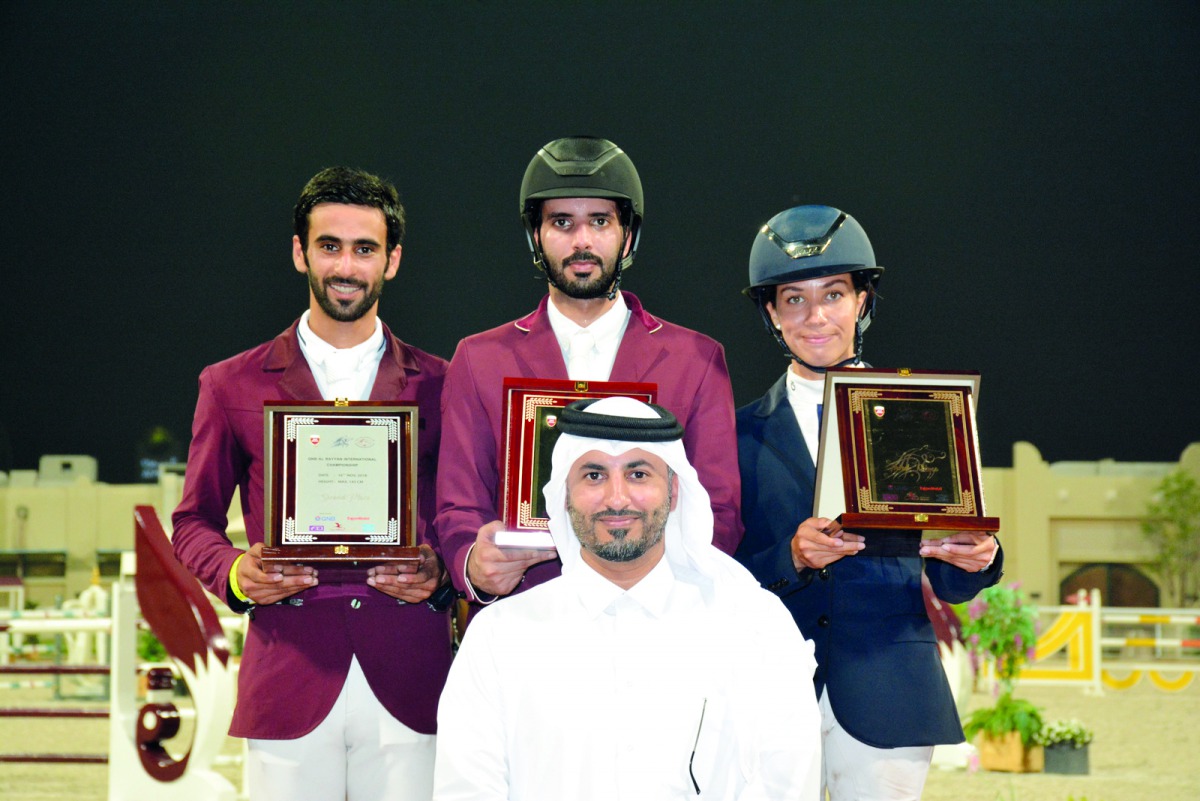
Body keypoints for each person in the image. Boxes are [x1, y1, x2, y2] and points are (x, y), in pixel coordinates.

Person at [171, 167, 455, 801]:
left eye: (365, 248)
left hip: (410, 673)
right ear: (300, 252)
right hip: (288, 673)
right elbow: (192, 522)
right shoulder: (231, 383)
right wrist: (236, 573)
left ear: (393, 260)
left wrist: (440, 569)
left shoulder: (444, 384)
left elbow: (466, 511)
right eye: (330, 246)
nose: (346, 266)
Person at [734, 205, 1004, 800]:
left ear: (862, 300)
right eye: (794, 299)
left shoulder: (924, 414)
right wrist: (791, 558)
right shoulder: (737, 434)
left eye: (833, 294)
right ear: (772, 314)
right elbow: (717, 569)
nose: (816, 316)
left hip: (890, 687)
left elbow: (954, 576)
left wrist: (977, 557)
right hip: (770, 690)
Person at [433, 397, 821, 800]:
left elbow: (787, 781)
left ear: (674, 491)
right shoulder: (501, 637)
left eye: (638, 474)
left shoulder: (753, 624)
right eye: (594, 475)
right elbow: (468, 788)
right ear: (564, 494)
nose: (616, 499)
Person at [436, 135, 742, 604]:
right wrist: (475, 565)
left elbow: (719, 510)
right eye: (562, 222)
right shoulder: (479, 360)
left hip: (658, 620)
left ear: (627, 234)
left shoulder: (697, 360)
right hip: (527, 615)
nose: (582, 241)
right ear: (535, 235)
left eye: (600, 221)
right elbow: (459, 506)